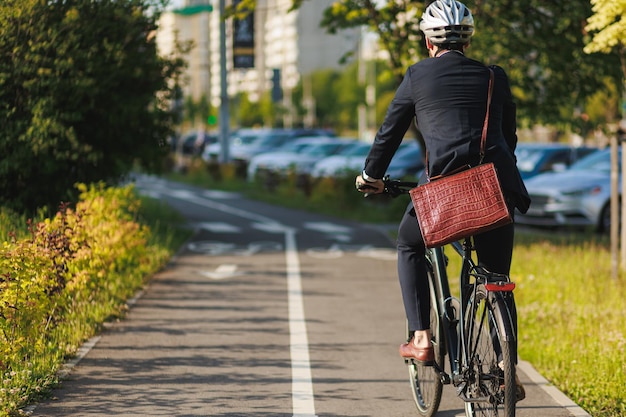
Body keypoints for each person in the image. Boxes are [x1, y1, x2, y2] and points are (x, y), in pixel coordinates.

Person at [355, 0, 530, 398]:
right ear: (468, 38)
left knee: (408, 243)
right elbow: (508, 137)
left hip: (444, 198)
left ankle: (421, 337)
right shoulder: (493, 76)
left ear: (427, 39)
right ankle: (506, 365)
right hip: (495, 192)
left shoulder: (417, 76)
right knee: (495, 278)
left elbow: (390, 132)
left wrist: (372, 176)